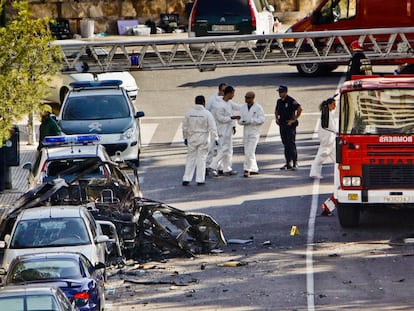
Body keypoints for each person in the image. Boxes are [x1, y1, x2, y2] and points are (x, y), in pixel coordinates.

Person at [182, 95, 218, 186]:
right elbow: (212, 127)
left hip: (192, 137)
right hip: (203, 138)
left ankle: (186, 178)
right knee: (202, 159)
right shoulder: (207, 113)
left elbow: (185, 127)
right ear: (203, 103)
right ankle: (200, 179)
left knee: (190, 158)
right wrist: (216, 138)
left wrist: (185, 137)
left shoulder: (189, 113)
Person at [208, 85, 241, 177]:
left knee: (229, 150)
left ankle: (227, 168)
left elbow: (237, 107)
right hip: (222, 130)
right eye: (233, 93)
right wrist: (232, 118)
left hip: (228, 130)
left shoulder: (229, 102)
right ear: (229, 93)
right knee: (223, 150)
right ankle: (213, 166)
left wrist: (250, 105)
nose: (233, 95)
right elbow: (221, 118)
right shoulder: (218, 105)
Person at [275, 85, 302, 171]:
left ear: (286, 92)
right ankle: (288, 162)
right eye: (279, 92)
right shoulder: (279, 101)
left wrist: (294, 120)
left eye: (281, 92)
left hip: (289, 125)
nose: (280, 93)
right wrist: (276, 118)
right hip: (282, 124)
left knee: (291, 143)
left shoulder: (290, 100)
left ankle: (295, 162)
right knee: (285, 143)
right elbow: (276, 111)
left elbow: (299, 108)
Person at [238, 91, 265, 177]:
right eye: (245, 97)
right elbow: (240, 119)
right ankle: (254, 168)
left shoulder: (258, 108)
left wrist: (252, 121)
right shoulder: (243, 107)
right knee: (248, 151)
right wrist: (242, 122)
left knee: (250, 151)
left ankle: (247, 169)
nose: (246, 99)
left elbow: (262, 119)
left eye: (248, 98)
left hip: (254, 132)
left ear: (253, 98)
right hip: (246, 132)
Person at [310, 97, 337, 179]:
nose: (335, 106)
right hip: (327, 140)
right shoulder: (327, 113)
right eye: (333, 104)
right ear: (329, 104)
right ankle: (313, 172)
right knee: (321, 156)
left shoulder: (327, 112)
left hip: (330, 139)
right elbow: (331, 127)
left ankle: (340, 171)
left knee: (337, 158)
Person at [205, 82, 227, 172]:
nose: (224, 93)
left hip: (223, 127)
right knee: (211, 147)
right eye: (223, 91)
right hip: (213, 126)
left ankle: (220, 167)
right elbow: (206, 111)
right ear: (219, 90)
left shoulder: (226, 100)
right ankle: (207, 165)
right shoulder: (212, 100)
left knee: (222, 148)